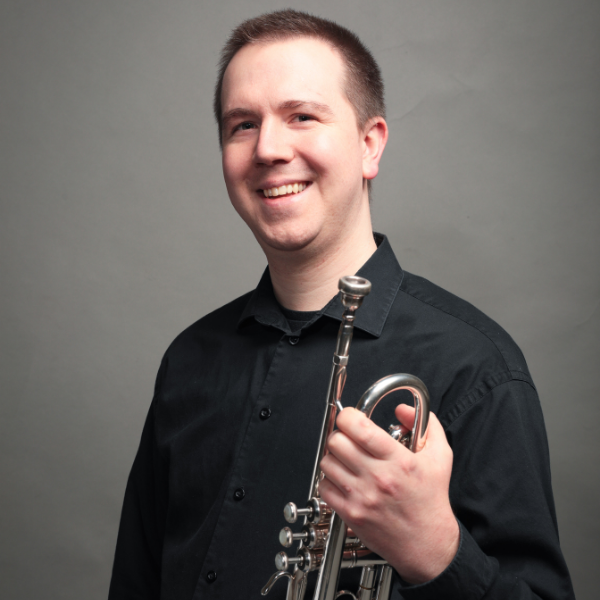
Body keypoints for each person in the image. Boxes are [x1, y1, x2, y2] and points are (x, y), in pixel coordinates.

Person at [108, 9, 574, 600]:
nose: (268, 148)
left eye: (302, 116)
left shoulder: (475, 367)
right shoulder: (189, 361)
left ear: (369, 144)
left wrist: (436, 551)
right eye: (242, 125)